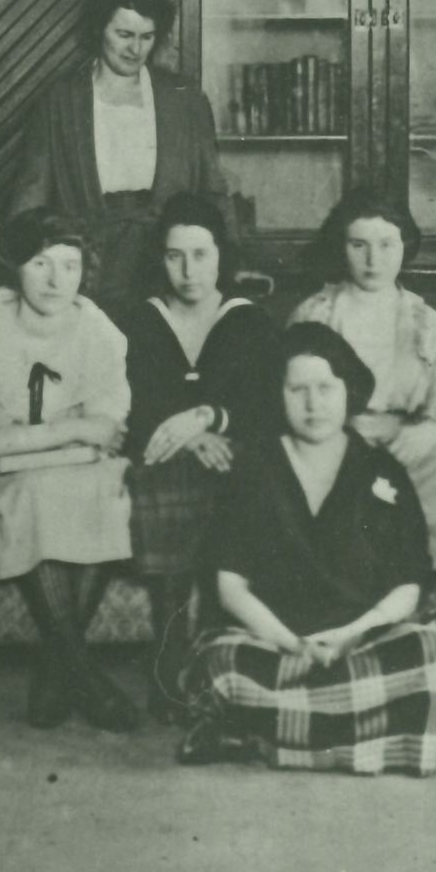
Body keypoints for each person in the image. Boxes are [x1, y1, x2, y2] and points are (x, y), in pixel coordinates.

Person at [176, 323, 436, 775]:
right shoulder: (253, 468)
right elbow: (230, 586)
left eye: (326, 388)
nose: (314, 404)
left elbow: (410, 581)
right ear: (278, 395)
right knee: (221, 663)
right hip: (272, 642)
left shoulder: (381, 469)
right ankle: (355, 732)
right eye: (298, 390)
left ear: (348, 391)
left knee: (432, 659)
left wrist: (352, 634)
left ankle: (267, 732)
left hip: (358, 641)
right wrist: (292, 644)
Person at [0, 208, 143, 731]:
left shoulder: (96, 328)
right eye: (40, 263)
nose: (57, 280)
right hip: (11, 478)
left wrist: (28, 433)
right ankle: (87, 679)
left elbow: (110, 426)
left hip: (85, 470)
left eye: (69, 266)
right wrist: (74, 427)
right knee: (35, 492)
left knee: (110, 491)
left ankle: (56, 673)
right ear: (15, 267)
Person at [121, 193, 282, 707]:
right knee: (166, 474)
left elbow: (267, 405)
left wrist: (212, 417)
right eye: (175, 256)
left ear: (221, 257)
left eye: (201, 255)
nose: (188, 271)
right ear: (160, 259)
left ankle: (218, 648)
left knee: (243, 476)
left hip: (230, 453)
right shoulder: (138, 321)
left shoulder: (249, 321)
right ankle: (170, 652)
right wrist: (190, 436)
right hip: (161, 456)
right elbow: (127, 401)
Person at [11, 0, 230, 311]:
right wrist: (12, 273)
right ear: (100, 28)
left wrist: (234, 264)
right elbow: (31, 198)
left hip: (166, 267)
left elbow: (213, 191)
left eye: (147, 37)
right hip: (87, 270)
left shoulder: (184, 98)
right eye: (124, 34)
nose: (135, 49)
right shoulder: (60, 101)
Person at [286, 191, 436, 569]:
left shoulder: (430, 326)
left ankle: (428, 582)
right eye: (359, 245)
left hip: (408, 453)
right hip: (331, 449)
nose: (373, 260)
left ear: (405, 245)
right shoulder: (314, 315)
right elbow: (288, 403)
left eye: (386, 245)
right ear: (341, 246)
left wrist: (428, 434)